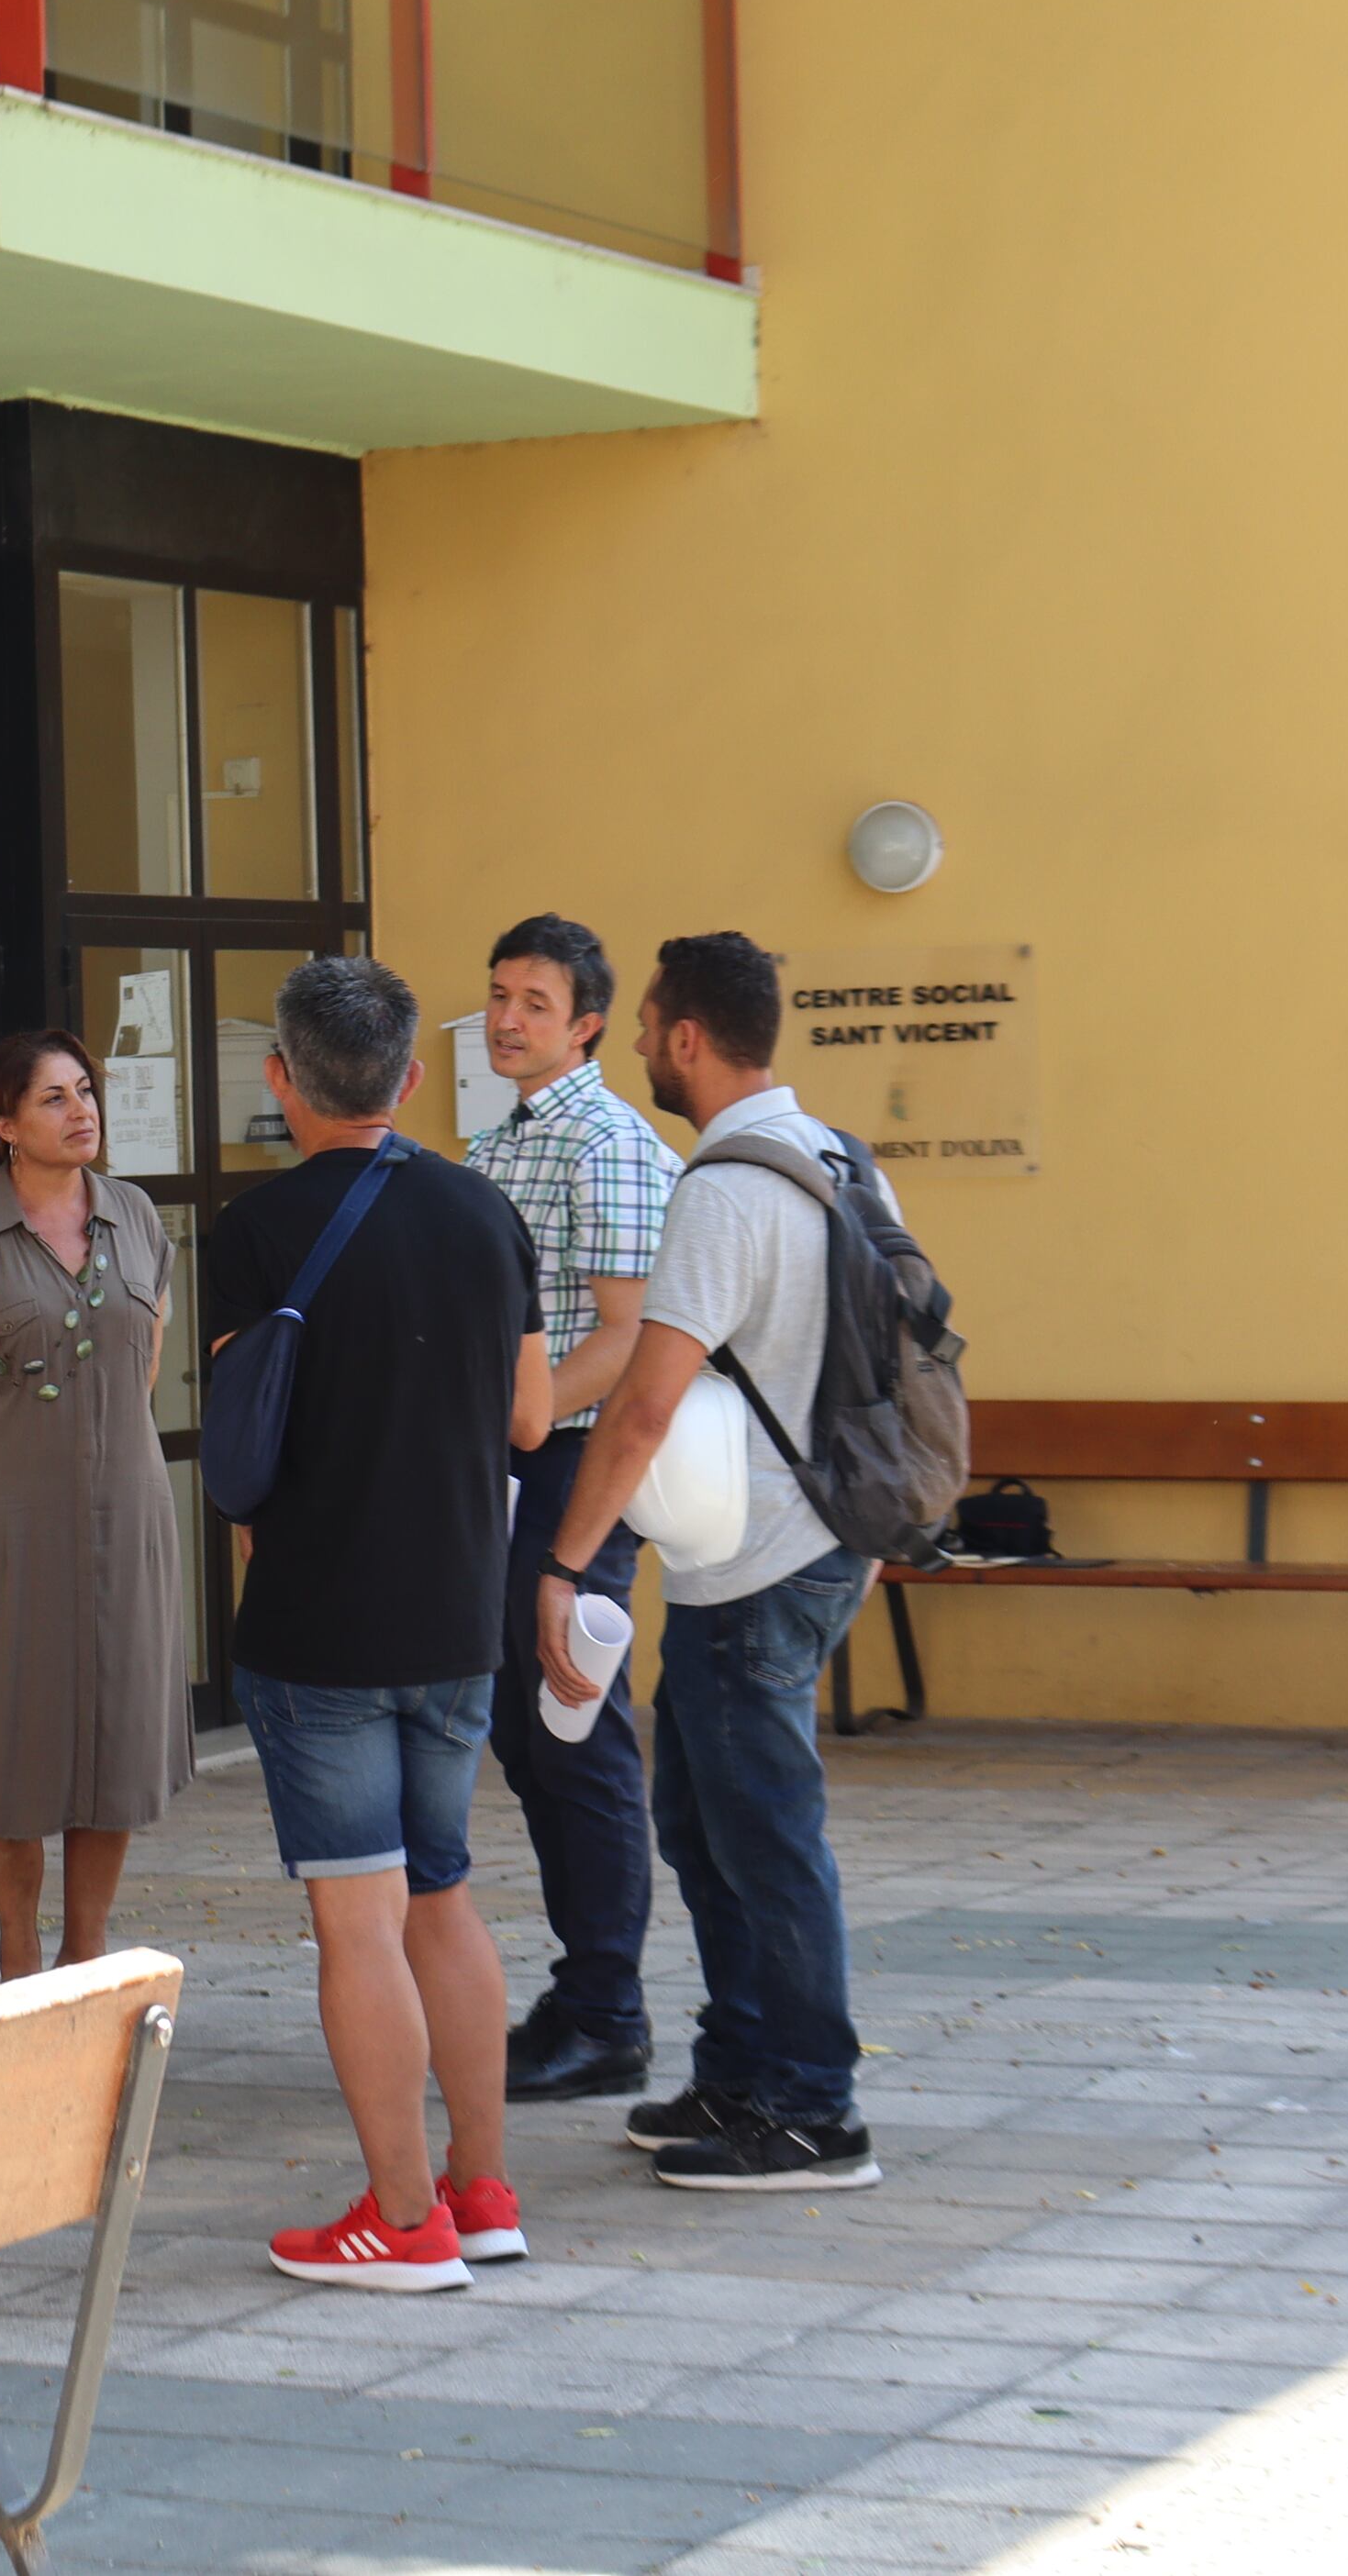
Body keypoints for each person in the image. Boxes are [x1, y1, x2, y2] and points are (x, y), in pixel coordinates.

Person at [205, 958, 554, 2290]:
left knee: (357, 1922)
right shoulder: (482, 1216)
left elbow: (249, 1444)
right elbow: (529, 1419)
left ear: (281, 1079)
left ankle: (400, 2218)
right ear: (411, 1079)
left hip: (319, 1614)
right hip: (458, 1608)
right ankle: (482, 2189)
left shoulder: (256, 1231)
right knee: (445, 1901)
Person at [531, 930, 888, 2193]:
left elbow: (640, 1399)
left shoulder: (729, 1187)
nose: (638, 1047)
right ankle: (740, 2071)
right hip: (809, 1542)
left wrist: (568, 1563)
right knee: (704, 1817)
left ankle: (812, 2108)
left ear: (688, 1037)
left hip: (764, 1563)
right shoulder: (836, 1155)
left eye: (646, 1029)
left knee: (762, 1836)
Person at [0, 1028, 189, 1979]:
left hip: (125, 1523)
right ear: (6, 1126)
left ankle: (84, 1948)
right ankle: (18, 1956)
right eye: (54, 1097)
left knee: (113, 1740)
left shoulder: (135, 1217)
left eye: (85, 1090)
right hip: (4, 1532)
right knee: (10, 1750)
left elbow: (144, 1354)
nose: (81, 1109)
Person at [460, 916, 679, 2104]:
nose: (505, 1017)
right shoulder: (509, 1140)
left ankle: (607, 2012)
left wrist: (520, 1424)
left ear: (587, 1022)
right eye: (498, 993)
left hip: (574, 1472)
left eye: (534, 1002)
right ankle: (588, 1995)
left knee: (574, 1734)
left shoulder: (606, 1144)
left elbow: (632, 1337)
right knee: (529, 1734)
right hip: (518, 1466)